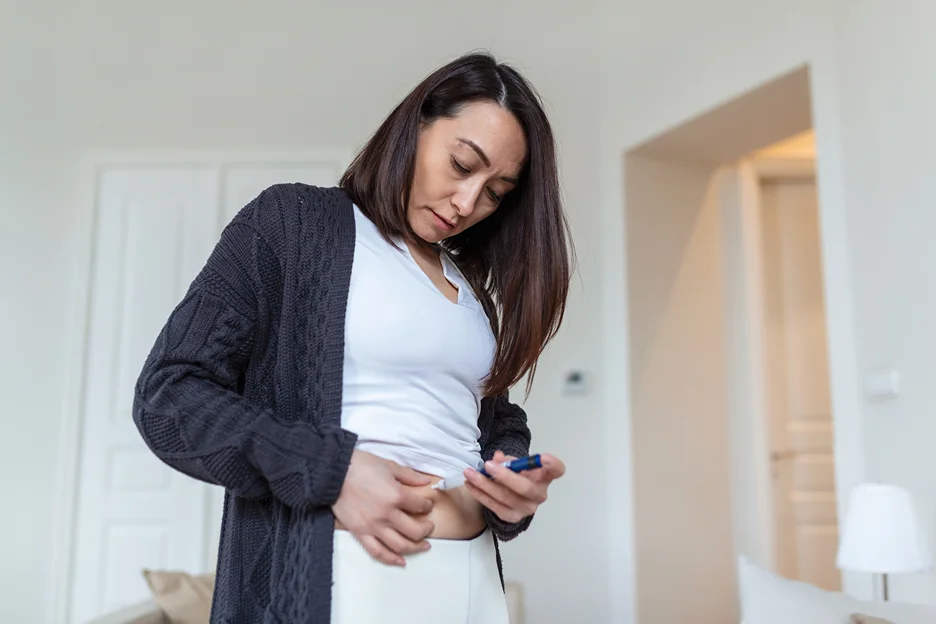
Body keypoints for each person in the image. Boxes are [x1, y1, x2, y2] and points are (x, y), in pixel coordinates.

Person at [133, 51, 573, 624]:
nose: (468, 204)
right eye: (462, 164)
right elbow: (168, 397)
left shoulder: (469, 291)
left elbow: (493, 416)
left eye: (495, 192)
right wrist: (331, 470)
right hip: (344, 579)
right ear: (415, 125)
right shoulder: (292, 225)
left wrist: (510, 476)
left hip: (472, 588)